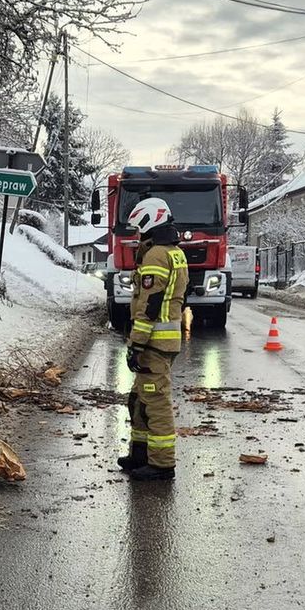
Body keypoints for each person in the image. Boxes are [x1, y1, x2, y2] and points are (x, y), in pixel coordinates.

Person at [117, 196, 188, 481]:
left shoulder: (157, 255)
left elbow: (149, 305)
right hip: (161, 342)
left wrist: (136, 343)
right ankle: (140, 454)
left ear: (150, 221)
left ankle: (161, 464)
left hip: (154, 343)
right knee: (140, 398)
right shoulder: (174, 252)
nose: (138, 234)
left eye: (139, 228)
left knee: (155, 401)